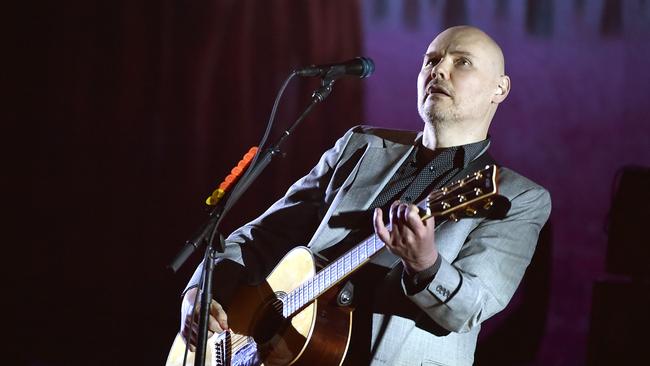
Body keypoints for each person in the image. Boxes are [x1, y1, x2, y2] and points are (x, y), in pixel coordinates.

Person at [178, 25, 551, 366]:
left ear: (499, 89)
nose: (439, 70)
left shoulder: (519, 197)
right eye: (431, 60)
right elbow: (260, 236)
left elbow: (471, 307)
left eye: (462, 62)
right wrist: (201, 292)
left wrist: (426, 265)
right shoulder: (360, 146)